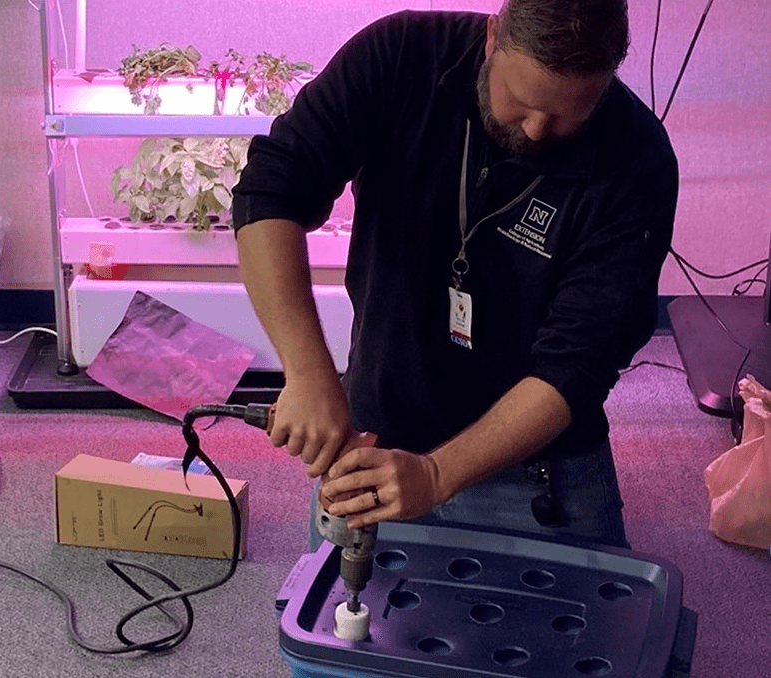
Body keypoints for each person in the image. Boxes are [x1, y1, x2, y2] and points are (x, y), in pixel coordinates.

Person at [232, 0, 678, 549]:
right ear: (493, 38)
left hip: (542, 474)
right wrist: (306, 374)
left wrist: (437, 476)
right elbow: (269, 190)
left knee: (588, 630)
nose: (538, 130)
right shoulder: (399, 56)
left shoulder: (639, 161)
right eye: (521, 102)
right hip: (376, 444)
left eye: (568, 116)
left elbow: (577, 365)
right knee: (343, 625)